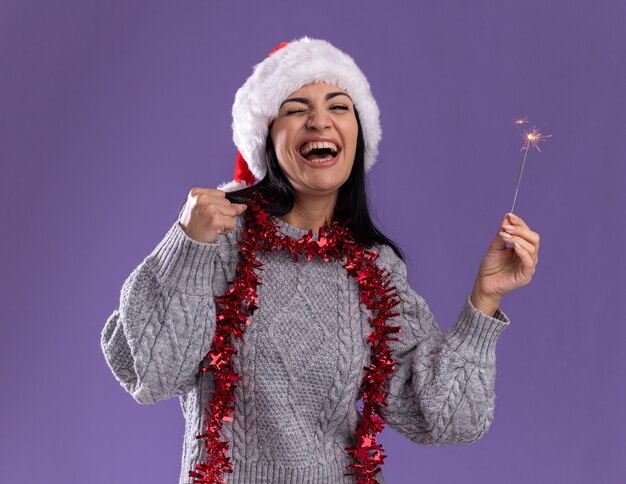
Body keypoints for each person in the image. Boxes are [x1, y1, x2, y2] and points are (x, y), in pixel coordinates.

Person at [101, 37, 540, 484]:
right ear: (267, 138)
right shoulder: (217, 241)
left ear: (357, 135)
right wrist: (187, 246)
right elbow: (152, 372)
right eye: (295, 108)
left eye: (339, 106)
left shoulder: (374, 269)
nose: (319, 121)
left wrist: (484, 301)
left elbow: (444, 419)